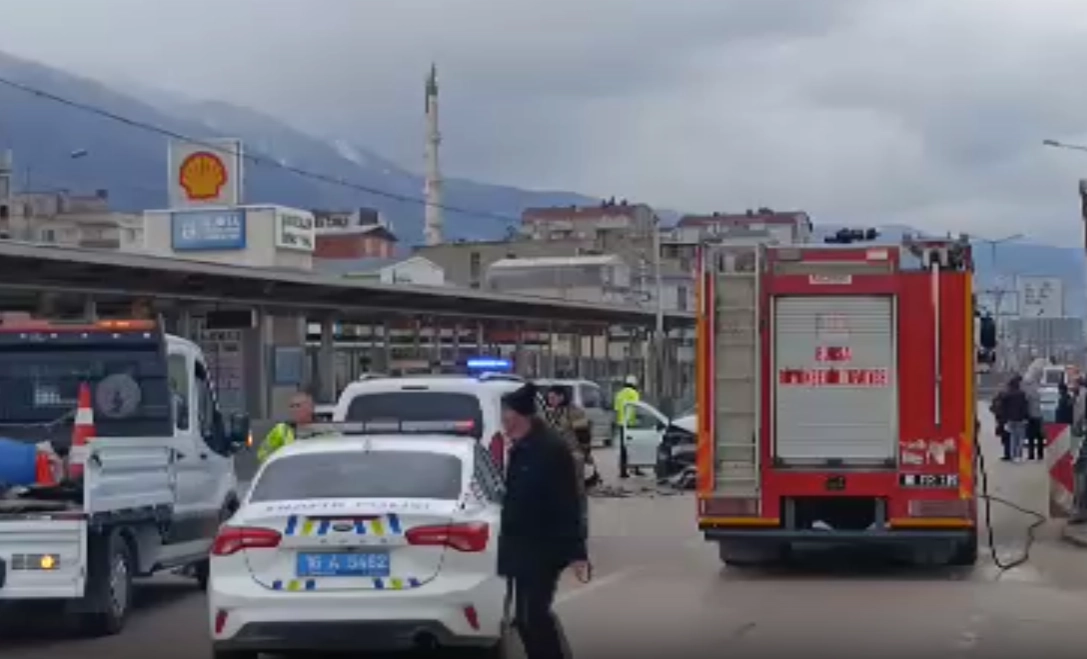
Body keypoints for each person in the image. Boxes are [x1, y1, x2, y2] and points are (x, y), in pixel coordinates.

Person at [498, 382, 589, 659]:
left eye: (507, 415)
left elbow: (568, 503)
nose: (503, 421)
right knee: (525, 619)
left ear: (521, 417)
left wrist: (577, 552)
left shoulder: (550, 449)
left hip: (543, 549)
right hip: (520, 548)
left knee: (533, 617)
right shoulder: (520, 448)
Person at [256, 391, 314, 463]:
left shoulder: (324, 429)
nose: (294, 409)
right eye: (292, 406)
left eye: (298, 405)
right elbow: (262, 454)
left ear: (310, 407)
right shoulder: (282, 429)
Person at [613, 375, 643, 478]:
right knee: (637, 447)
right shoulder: (634, 393)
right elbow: (636, 407)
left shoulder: (619, 394)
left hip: (622, 424)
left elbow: (616, 409)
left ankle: (623, 471)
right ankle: (637, 469)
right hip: (632, 424)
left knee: (623, 449)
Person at [998, 376, 1030, 463]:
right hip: (1020, 419)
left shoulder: (1006, 395)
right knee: (1020, 438)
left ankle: (1012, 455)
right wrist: (1026, 417)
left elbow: (1003, 408)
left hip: (1010, 420)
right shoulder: (1022, 394)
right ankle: (1018, 455)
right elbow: (1024, 407)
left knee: (1013, 437)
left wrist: (1004, 419)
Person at [990, 388, 1011, 461]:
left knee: (1005, 438)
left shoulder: (996, 400)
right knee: (1008, 437)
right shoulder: (1007, 400)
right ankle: (1009, 453)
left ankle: (1007, 454)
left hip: (1001, 421)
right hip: (1006, 420)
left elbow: (992, 408)